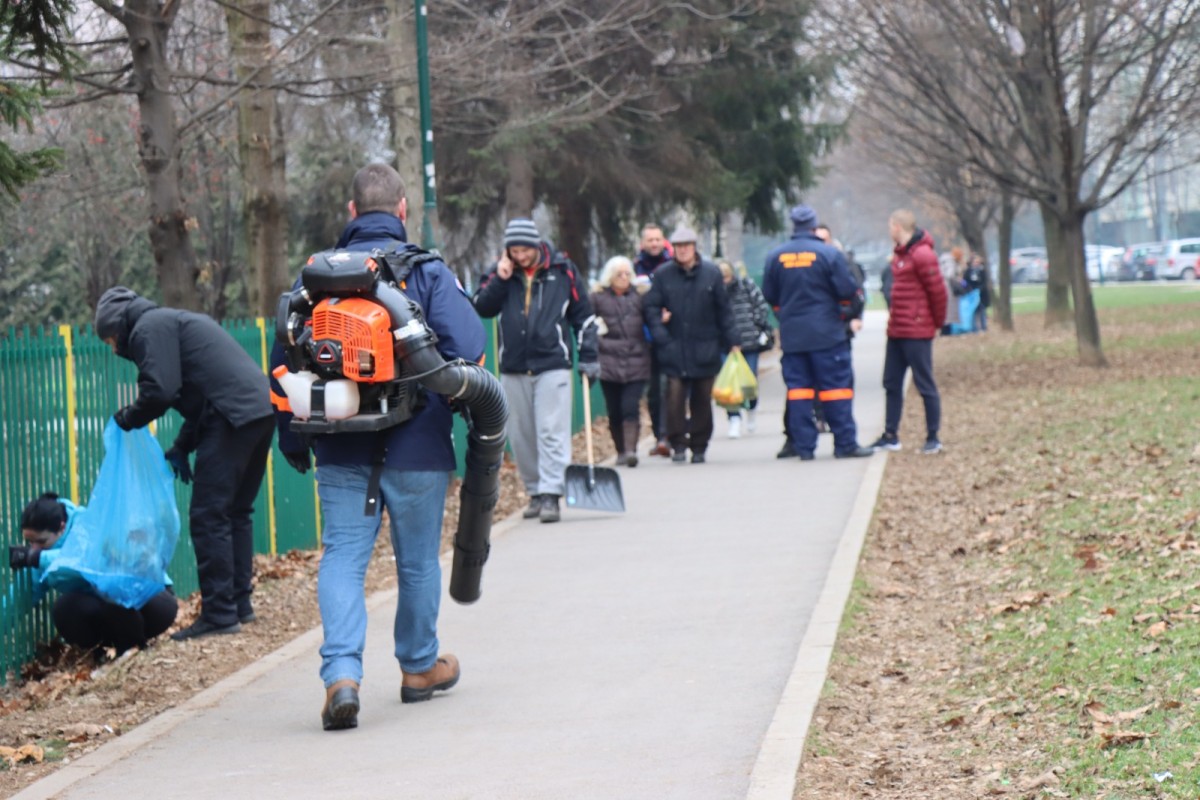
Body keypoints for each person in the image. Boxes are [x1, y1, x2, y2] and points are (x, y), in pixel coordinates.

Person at [271, 163, 487, 730]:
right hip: (418, 446)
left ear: (350, 213)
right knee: (416, 563)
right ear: (403, 210)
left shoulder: (314, 279)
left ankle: (342, 677)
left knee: (343, 555)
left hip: (341, 446)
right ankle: (419, 668)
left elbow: (282, 360)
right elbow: (469, 347)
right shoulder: (428, 272)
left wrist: (286, 435)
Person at [94, 286, 274, 641]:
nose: (113, 349)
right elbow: (197, 393)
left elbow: (160, 391)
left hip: (230, 416)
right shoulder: (169, 322)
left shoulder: (148, 327)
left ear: (118, 327)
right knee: (236, 511)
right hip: (258, 411)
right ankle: (239, 605)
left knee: (209, 515)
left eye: (110, 340)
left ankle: (221, 614)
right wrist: (181, 446)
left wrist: (126, 418)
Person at [474, 217, 598, 521]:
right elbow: (481, 307)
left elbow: (584, 316)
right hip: (513, 366)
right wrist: (501, 278)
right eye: (514, 251)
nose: (520, 256)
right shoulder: (500, 273)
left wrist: (589, 356)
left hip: (552, 363)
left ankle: (552, 494)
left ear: (536, 245)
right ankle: (534, 491)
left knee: (550, 431)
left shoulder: (563, 270)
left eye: (524, 250)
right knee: (521, 435)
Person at [763, 205, 874, 461]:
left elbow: (770, 295)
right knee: (836, 390)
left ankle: (804, 448)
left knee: (799, 392)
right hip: (827, 335)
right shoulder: (828, 254)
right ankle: (845, 444)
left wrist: (785, 313)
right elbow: (847, 290)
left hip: (793, 337)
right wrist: (841, 313)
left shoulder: (776, 256)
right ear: (814, 227)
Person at [8, 492, 178, 655]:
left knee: (112, 587)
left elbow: (87, 560)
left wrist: (37, 557)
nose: (34, 548)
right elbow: (18, 600)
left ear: (61, 527)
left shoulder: (89, 522)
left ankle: (131, 649)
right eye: (30, 542)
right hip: (109, 614)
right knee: (65, 608)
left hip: (152, 602)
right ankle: (99, 654)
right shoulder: (41, 557)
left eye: (41, 541)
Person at [642, 224, 738, 464]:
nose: (682, 251)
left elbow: (724, 310)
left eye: (686, 246)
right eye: (677, 247)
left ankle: (699, 444)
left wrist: (733, 341)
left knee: (702, 399)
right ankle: (678, 443)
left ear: (694, 248)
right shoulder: (664, 275)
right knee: (674, 398)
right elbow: (651, 307)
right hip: (674, 347)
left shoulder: (711, 273)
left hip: (705, 346)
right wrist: (661, 335)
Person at [870, 209, 948, 455]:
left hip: (917, 331)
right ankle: (890, 435)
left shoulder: (923, 254)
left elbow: (938, 292)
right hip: (897, 330)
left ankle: (933, 436)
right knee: (891, 382)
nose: (888, 229)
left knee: (924, 384)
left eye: (890, 225)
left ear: (898, 226)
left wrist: (933, 323)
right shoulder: (900, 255)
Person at [591, 256, 651, 466]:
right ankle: (620, 450)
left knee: (630, 406)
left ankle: (630, 450)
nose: (624, 278)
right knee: (614, 409)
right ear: (610, 277)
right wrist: (600, 343)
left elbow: (651, 320)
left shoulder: (640, 296)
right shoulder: (598, 298)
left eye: (628, 273)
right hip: (608, 361)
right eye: (619, 274)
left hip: (637, 359)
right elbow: (588, 326)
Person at [717, 259, 772, 438]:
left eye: (726, 276)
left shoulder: (747, 286)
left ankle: (751, 410)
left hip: (749, 342)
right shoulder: (715, 291)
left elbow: (761, 306)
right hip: (725, 344)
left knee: (750, 382)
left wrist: (755, 326)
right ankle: (734, 418)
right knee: (730, 385)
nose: (724, 281)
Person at [632, 224, 673, 457]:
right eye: (650, 240)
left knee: (671, 387)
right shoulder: (635, 268)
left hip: (669, 337)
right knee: (654, 392)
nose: (654, 244)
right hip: (643, 339)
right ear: (643, 244)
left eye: (658, 239)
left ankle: (670, 434)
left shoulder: (671, 266)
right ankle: (660, 435)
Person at [965, 253, 990, 331]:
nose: (976, 263)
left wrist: (980, 289)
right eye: (975, 262)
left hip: (981, 295)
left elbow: (984, 282)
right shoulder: (969, 271)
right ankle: (974, 328)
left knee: (982, 311)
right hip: (972, 295)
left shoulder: (982, 271)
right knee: (973, 312)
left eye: (978, 262)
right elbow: (965, 281)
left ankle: (984, 327)